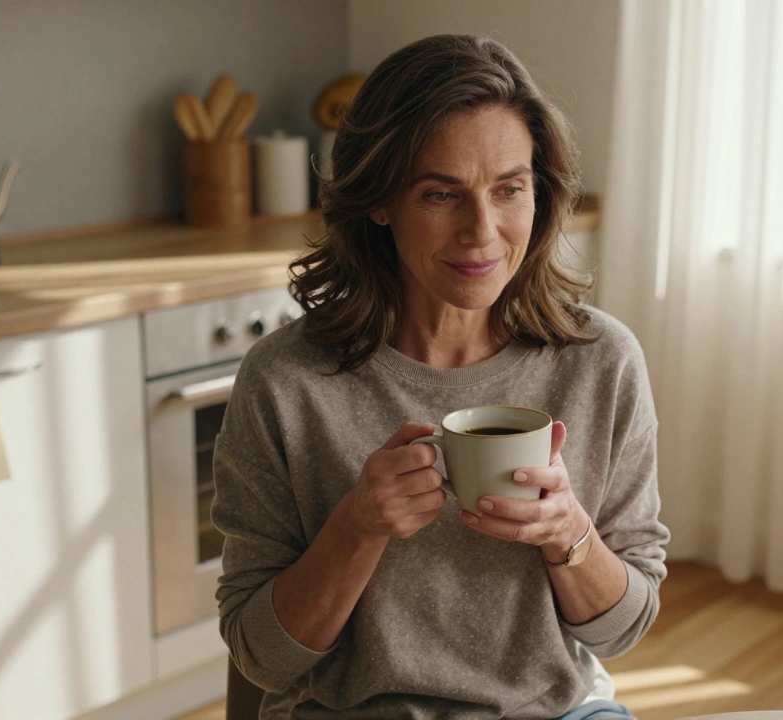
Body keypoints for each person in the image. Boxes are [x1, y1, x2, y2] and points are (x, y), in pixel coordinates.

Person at [212, 34, 668, 719]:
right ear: (380, 200)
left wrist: (567, 532)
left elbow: (622, 628)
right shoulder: (286, 382)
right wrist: (357, 528)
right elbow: (262, 659)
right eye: (440, 194)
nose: (481, 230)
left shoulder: (601, 361)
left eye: (509, 189)